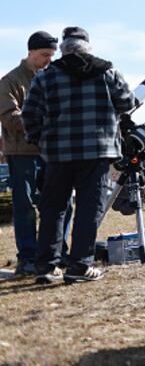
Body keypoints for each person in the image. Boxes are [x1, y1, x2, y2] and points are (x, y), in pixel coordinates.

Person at [22, 26, 135, 284]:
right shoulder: (108, 72)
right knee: (88, 210)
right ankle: (79, 266)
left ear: (63, 48)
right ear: (88, 47)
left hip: (58, 154)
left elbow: (30, 114)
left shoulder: (46, 76)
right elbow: (127, 103)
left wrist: (41, 140)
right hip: (97, 152)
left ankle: (46, 268)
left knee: (53, 209)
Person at [0, 31, 72, 276]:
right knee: (25, 205)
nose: (48, 60)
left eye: (52, 55)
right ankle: (28, 257)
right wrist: (45, 121)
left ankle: (56, 252)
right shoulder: (9, 81)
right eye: (44, 55)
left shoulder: (51, 78)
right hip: (21, 153)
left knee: (62, 202)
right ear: (30, 52)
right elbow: (9, 118)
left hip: (49, 151)